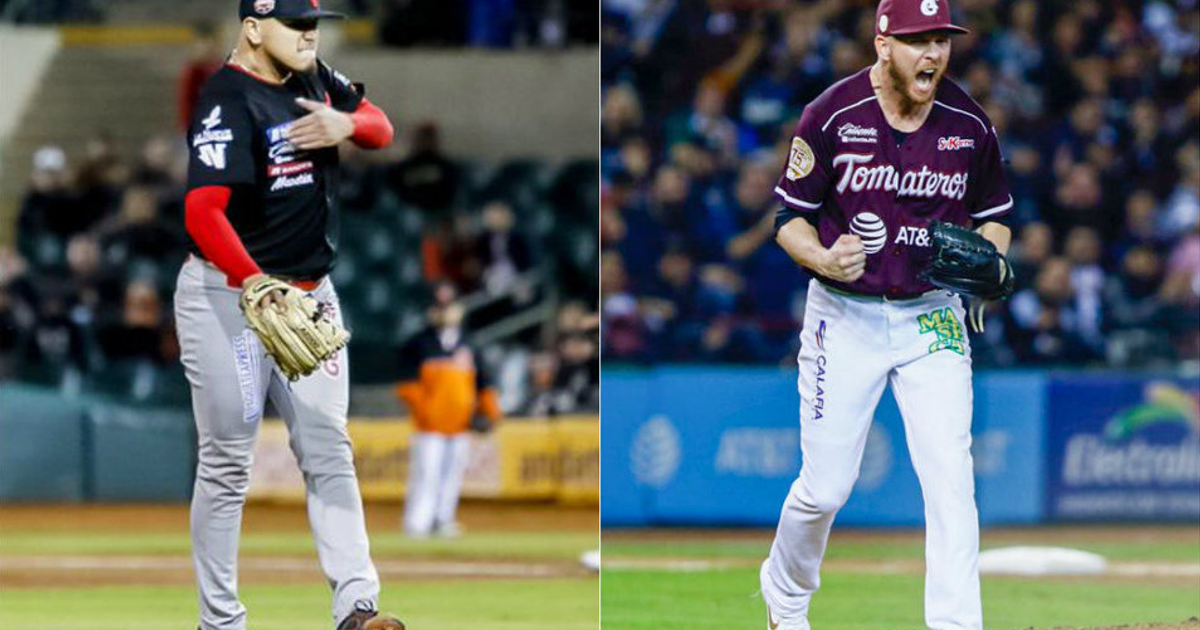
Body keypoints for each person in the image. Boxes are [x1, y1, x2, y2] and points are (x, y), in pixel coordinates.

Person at [759, 1, 1014, 629]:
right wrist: (822, 257)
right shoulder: (831, 115)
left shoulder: (968, 124)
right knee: (825, 489)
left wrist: (990, 261)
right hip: (845, 314)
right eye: (917, 40)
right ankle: (785, 595)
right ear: (882, 44)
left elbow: (995, 218)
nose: (933, 53)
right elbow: (788, 220)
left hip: (932, 315)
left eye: (941, 40)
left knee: (950, 479)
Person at [171, 1, 400, 629]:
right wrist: (255, 281)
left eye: (313, 23)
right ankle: (220, 622)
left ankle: (357, 607)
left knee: (330, 449)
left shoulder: (312, 77)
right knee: (227, 465)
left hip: (311, 294)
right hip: (229, 297)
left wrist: (345, 124)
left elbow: (381, 128)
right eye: (295, 24)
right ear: (252, 29)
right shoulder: (227, 100)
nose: (309, 34)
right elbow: (203, 213)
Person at [394, 282, 502, 537]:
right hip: (429, 427)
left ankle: (443, 519)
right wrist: (425, 412)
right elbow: (406, 385)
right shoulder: (419, 343)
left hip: (460, 424)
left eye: (448, 306)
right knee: (426, 474)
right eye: (439, 307)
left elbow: (484, 384)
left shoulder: (470, 344)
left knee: (451, 475)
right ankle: (417, 522)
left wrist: (491, 413)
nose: (444, 313)